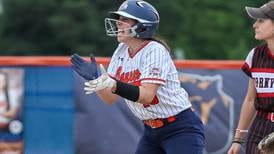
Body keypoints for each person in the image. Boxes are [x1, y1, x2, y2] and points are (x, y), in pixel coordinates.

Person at [70, 0, 205, 153]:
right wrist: (97, 80)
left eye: (125, 20)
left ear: (142, 25)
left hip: (180, 128)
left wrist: (112, 84)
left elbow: (147, 96)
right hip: (151, 131)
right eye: (119, 20)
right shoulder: (121, 50)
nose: (118, 24)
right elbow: (110, 98)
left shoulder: (155, 50)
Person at [228, 1, 274, 154]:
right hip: (260, 127)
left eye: (261, 20)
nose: (255, 25)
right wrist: (237, 140)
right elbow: (250, 100)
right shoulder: (255, 55)